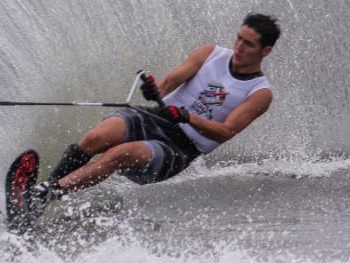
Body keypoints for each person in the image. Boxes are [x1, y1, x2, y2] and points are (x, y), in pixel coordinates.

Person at [28, 13, 281, 214]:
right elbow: (168, 83)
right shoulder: (210, 53)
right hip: (155, 117)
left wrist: (187, 117)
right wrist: (153, 89)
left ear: (265, 50)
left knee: (118, 154)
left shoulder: (259, 93)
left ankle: (48, 193)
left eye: (248, 44)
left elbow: (226, 131)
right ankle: (40, 198)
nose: (239, 47)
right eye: (238, 38)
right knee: (97, 137)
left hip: (180, 148)